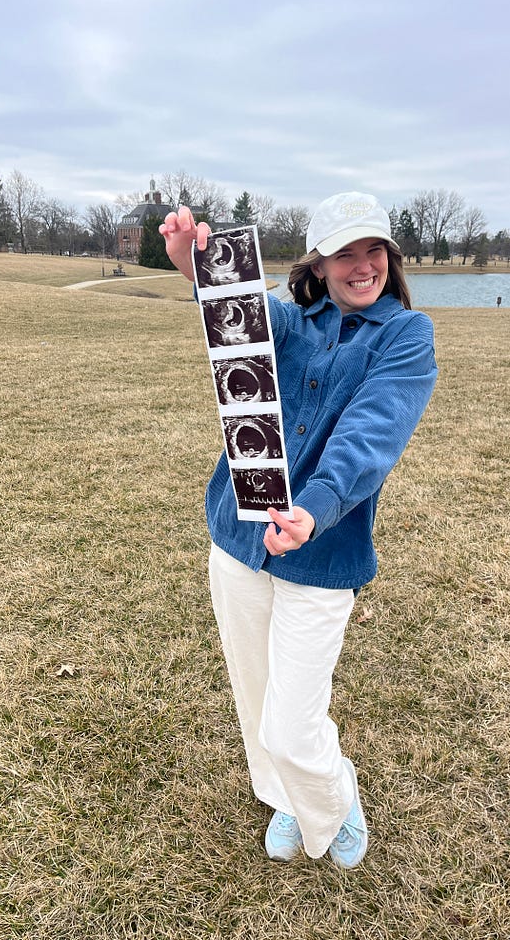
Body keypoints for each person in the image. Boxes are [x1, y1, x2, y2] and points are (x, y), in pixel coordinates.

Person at [160, 192, 437, 869]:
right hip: (238, 539)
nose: (363, 265)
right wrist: (196, 265)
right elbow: (238, 317)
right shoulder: (290, 322)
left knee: (292, 724)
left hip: (323, 551)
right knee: (256, 695)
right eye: (345, 253)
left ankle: (335, 793)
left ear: (391, 258)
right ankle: (285, 797)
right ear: (318, 264)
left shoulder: (406, 335)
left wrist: (314, 508)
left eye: (374, 250)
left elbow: (373, 431)